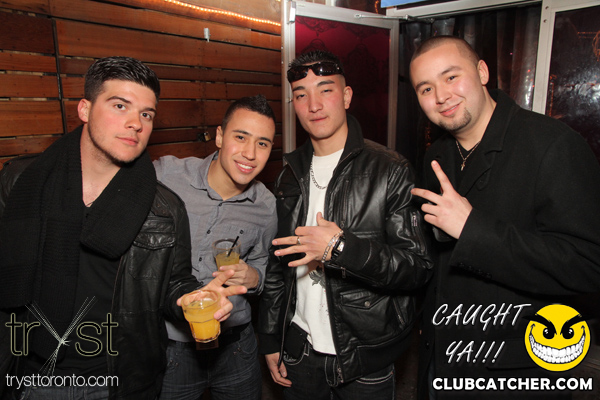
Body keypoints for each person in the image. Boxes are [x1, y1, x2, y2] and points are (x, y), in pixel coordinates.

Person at [0, 56, 245, 400]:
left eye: (146, 114)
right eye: (120, 106)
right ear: (85, 109)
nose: (135, 123)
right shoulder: (21, 183)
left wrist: (189, 298)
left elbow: (174, 282)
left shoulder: (166, 209)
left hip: (118, 379)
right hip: (32, 375)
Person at [409, 36, 600, 399]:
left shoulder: (552, 144)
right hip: (443, 360)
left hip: (516, 372)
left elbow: (589, 265)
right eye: (426, 88)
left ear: (482, 72)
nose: (441, 96)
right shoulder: (437, 155)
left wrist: (472, 230)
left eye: (451, 77)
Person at [257, 49, 432, 400]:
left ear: (347, 96)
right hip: (299, 350)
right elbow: (278, 266)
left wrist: (341, 248)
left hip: (364, 355)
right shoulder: (288, 176)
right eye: (301, 95)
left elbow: (416, 268)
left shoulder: (390, 170)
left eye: (326, 90)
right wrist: (270, 337)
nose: (314, 105)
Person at [153, 94, 277, 400]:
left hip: (236, 348)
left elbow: (264, 267)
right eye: (240, 137)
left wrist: (253, 277)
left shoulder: (266, 205)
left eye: (262, 143)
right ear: (220, 137)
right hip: (173, 347)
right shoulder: (167, 176)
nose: (250, 153)